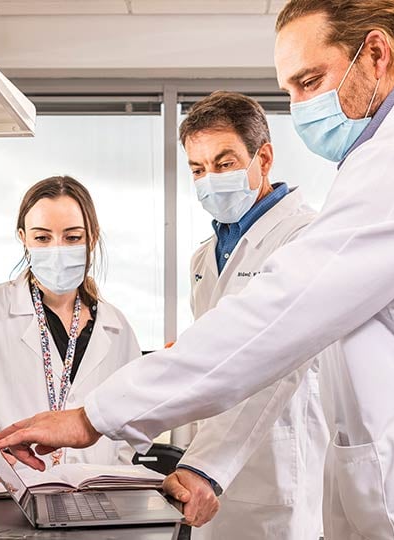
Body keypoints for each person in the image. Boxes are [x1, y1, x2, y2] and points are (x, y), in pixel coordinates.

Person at [0, 2, 394, 538]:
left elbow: (275, 323)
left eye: (310, 80)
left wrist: (96, 416)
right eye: (290, 91)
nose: (301, 106)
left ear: (374, 53)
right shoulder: (391, 154)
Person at [162, 91, 331, 538]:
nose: (209, 180)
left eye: (225, 163)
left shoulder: (304, 237)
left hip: (275, 474)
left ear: (265, 157)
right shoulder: (204, 258)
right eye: (197, 169)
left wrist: (205, 466)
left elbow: (275, 363)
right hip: (209, 476)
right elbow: (213, 361)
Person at [0, 175, 140, 482]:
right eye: (42, 238)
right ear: (23, 237)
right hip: (8, 491)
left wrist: (115, 477)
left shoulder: (117, 328)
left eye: (72, 237)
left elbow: (127, 424)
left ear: (92, 237)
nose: (57, 249)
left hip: (98, 494)